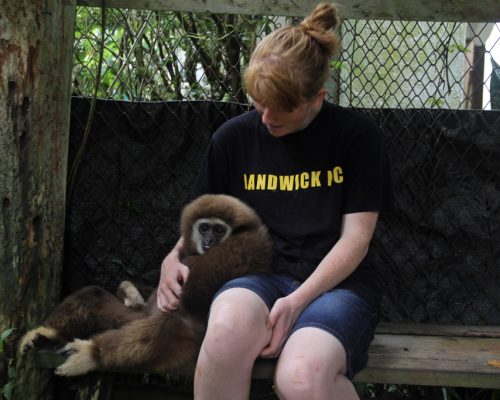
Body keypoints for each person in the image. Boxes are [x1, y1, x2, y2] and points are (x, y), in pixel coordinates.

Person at [157, 3, 393, 399]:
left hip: (338, 286)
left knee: (301, 377)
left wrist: (296, 302)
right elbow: (205, 220)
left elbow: (356, 240)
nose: (265, 119)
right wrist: (173, 258)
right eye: (258, 103)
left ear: (317, 98)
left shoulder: (357, 137)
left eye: (280, 111)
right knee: (224, 337)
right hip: (258, 275)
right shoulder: (232, 138)